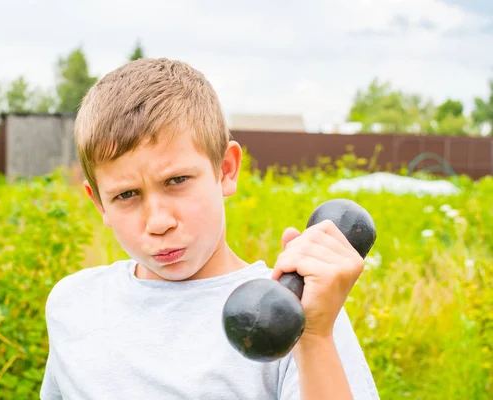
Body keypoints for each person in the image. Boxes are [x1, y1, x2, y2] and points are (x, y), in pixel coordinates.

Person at [40, 57, 380, 400]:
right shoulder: (72, 305)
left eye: (176, 180)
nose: (158, 222)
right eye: (126, 195)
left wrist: (314, 340)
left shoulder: (299, 314)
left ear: (226, 170)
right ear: (98, 202)